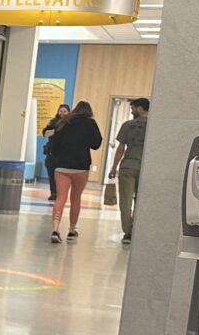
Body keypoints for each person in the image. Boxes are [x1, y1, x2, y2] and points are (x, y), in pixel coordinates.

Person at [47, 100, 103, 243]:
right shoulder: (90, 123)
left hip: (62, 165)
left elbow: (55, 144)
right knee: (76, 198)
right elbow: (96, 143)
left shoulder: (64, 122)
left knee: (60, 198)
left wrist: (58, 157)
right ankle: (72, 231)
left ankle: (55, 229)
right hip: (81, 166)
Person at [107, 97, 149, 243]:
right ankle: (137, 230)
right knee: (141, 201)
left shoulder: (127, 125)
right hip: (146, 168)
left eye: (133, 108)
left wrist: (114, 168)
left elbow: (120, 149)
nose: (132, 111)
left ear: (140, 108)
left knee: (125, 201)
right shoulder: (154, 127)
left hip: (128, 167)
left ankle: (128, 233)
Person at [42, 102, 70, 200]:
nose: (62, 113)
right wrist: (56, 131)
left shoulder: (70, 124)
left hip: (64, 154)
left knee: (62, 176)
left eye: (65, 111)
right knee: (51, 174)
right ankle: (53, 193)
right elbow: (45, 133)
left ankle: (61, 194)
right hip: (52, 153)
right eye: (61, 111)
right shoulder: (53, 122)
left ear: (68, 112)